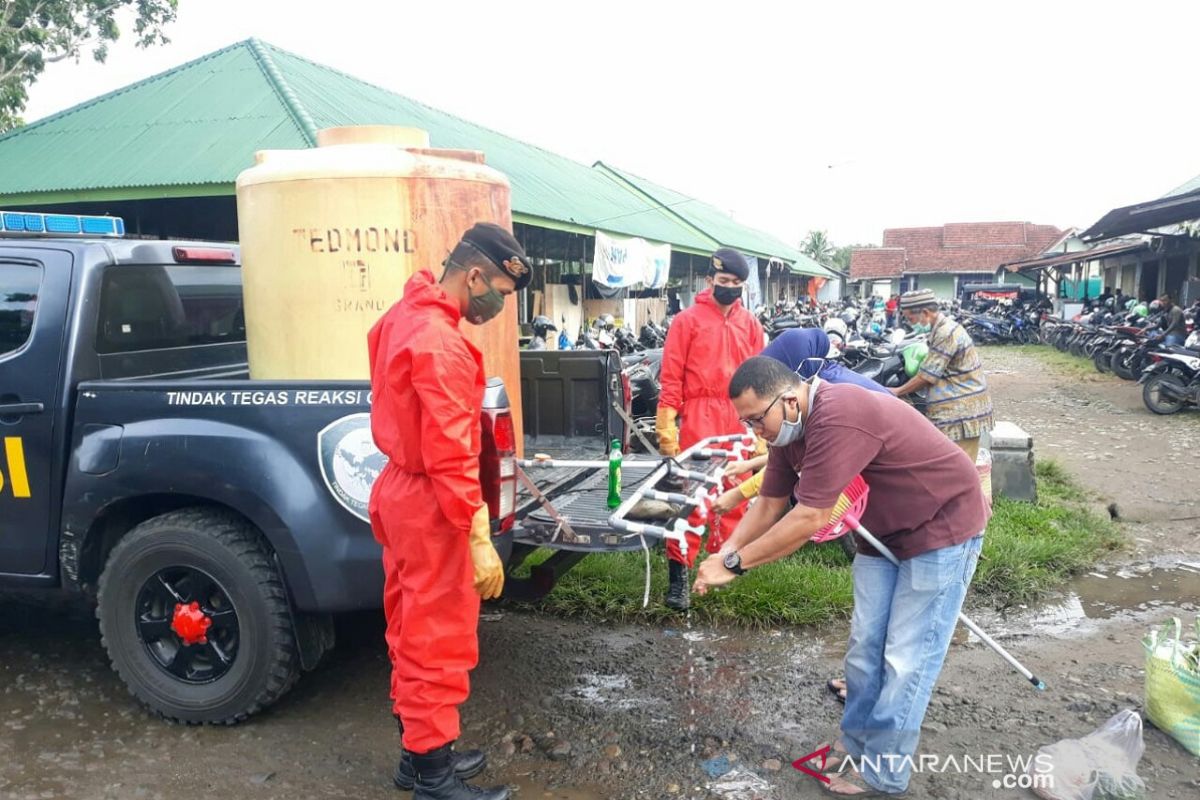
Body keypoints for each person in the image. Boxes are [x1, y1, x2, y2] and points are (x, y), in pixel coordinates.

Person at [695, 356, 989, 796]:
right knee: (863, 649)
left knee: (906, 659)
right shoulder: (786, 434)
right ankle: (854, 746)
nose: (756, 431)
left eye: (758, 419)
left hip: (942, 526)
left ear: (790, 399)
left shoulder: (839, 415)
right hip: (883, 531)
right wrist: (725, 552)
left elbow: (808, 517)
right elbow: (769, 504)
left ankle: (883, 774)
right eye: (748, 422)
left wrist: (735, 566)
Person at [368, 222, 531, 800]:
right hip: (434, 501)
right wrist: (478, 533)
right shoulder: (442, 342)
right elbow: (452, 449)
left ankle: (419, 755)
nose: (498, 307)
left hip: (400, 490)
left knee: (408, 626)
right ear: (476, 276)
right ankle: (433, 780)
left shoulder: (400, 316)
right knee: (436, 638)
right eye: (501, 296)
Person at [655, 247, 764, 610]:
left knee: (734, 497)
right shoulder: (686, 321)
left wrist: (760, 432)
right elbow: (670, 377)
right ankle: (679, 577)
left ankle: (719, 569)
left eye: (736, 283)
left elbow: (760, 377)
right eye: (724, 281)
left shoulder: (750, 324)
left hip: (739, 415)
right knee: (692, 497)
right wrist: (667, 419)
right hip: (699, 416)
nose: (730, 287)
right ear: (709, 281)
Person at [711, 328, 892, 515]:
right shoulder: (822, 381)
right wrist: (748, 465)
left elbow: (809, 464)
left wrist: (739, 494)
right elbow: (789, 459)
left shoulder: (828, 406)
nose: (756, 430)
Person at [889, 289, 993, 462]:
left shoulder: (946, 333)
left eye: (910, 318)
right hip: (958, 410)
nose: (909, 323)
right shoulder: (940, 329)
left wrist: (897, 391)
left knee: (958, 470)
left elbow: (928, 375)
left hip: (962, 413)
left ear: (925, 313)